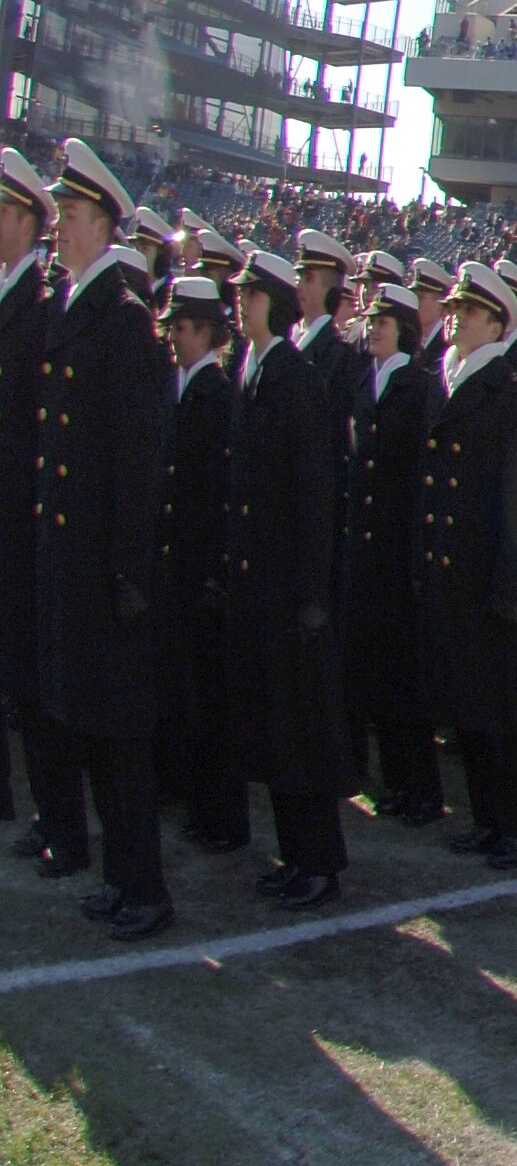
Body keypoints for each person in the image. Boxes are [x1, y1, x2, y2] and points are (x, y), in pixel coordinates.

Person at [34, 146, 177, 933]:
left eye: (69, 215)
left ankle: (146, 889)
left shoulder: (122, 321)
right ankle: (121, 879)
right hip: (74, 559)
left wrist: (127, 570)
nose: (57, 227)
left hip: (105, 569)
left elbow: (136, 459)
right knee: (89, 729)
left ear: (102, 224)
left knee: (119, 738)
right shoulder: (78, 308)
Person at [225, 250, 351, 906]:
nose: (239, 303)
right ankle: (293, 854)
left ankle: (319, 862)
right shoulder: (251, 368)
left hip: (289, 589)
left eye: (250, 295)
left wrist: (311, 592)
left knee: (301, 734)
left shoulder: (295, 378)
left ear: (272, 304)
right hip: (260, 585)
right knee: (274, 733)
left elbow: (314, 493)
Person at [418, 262, 517, 869]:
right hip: (452, 572)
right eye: (454, 309)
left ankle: (513, 827)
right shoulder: (445, 380)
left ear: (497, 325)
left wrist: (512, 583)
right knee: (469, 709)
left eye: (468, 311)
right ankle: (484, 818)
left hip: (489, 578)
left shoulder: (512, 394)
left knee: (502, 714)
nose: (456, 319)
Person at [347, 270, 446, 826]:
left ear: (405, 330)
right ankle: (394, 782)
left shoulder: (420, 386)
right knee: (379, 679)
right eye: (370, 320)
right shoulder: (368, 383)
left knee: (407, 685)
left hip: (400, 552)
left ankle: (421, 791)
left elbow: (422, 478)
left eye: (383, 322)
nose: (373, 328)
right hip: (369, 551)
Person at [157, 272, 251, 858]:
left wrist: (217, 569)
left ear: (210, 334)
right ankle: (198, 802)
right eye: (173, 327)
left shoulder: (216, 395)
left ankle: (222, 816)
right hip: (180, 565)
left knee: (213, 701)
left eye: (185, 328)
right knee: (186, 691)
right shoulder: (183, 389)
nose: (175, 338)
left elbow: (218, 492)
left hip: (203, 568)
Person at [0, 152, 55, 863]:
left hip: (19, 508)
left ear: (22, 220)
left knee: (24, 667)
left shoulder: (38, 307)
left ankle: (47, 810)